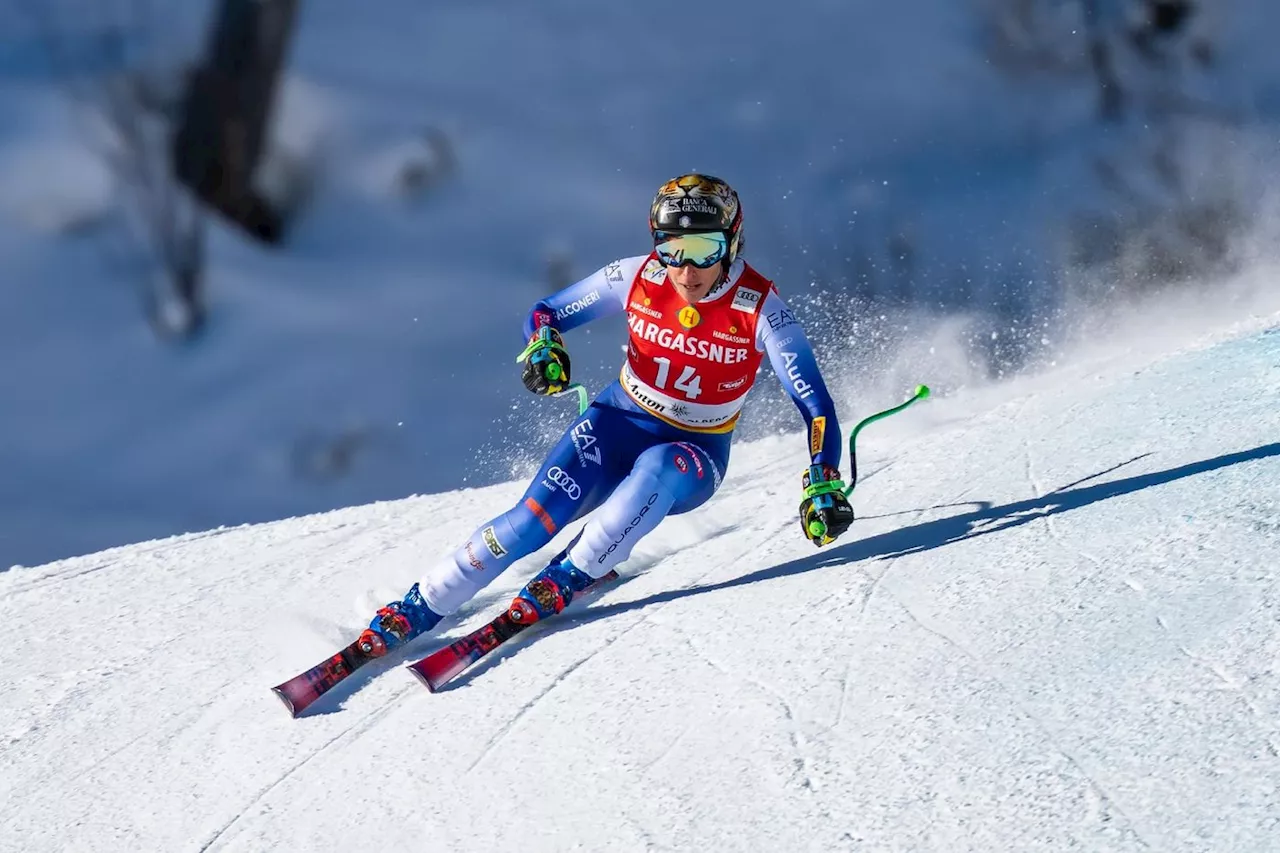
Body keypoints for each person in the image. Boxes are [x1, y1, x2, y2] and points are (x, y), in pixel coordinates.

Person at [355, 173, 856, 657]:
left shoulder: (760, 308)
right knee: (529, 523)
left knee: (658, 468)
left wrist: (822, 479)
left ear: (732, 242)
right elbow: (546, 312)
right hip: (616, 422)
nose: (685, 272)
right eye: (671, 249)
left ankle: (574, 571)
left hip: (695, 453)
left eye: (703, 250)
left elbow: (814, 404)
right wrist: (543, 345)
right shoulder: (637, 276)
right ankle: (421, 604)